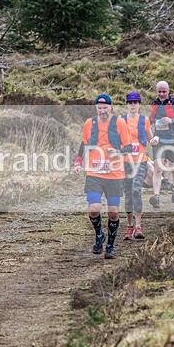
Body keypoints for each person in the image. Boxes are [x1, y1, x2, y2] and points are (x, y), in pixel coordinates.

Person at [73, 94, 133, 259]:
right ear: (96, 108)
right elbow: (84, 145)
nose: (102, 111)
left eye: (105, 107)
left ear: (111, 107)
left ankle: (110, 246)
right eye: (99, 108)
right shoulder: (89, 123)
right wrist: (78, 162)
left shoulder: (120, 123)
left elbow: (129, 147)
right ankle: (99, 235)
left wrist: (118, 152)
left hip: (114, 174)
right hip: (94, 173)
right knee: (94, 209)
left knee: (113, 213)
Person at [120, 91, 157, 241]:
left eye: (135, 102)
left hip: (141, 161)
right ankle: (129, 227)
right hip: (125, 162)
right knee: (128, 194)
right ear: (127, 104)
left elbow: (150, 138)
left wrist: (154, 140)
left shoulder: (144, 120)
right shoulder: (121, 120)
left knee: (136, 190)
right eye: (130, 102)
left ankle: (139, 227)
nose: (133, 105)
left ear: (139, 104)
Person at [149, 81, 174, 208]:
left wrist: (172, 121)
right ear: (156, 91)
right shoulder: (154, 103)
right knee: (158, 168)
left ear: (168, 91)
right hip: (159, 141)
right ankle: (156, 197)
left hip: (173, 140)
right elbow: (152, 119)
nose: (161, 94)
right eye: (159, 91)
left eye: (164, 91)